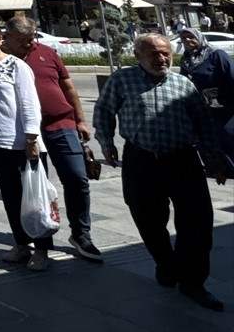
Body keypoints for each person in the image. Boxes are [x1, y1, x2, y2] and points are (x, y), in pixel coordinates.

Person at [94, 33, 230, 312]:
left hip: (183, 160)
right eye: (154, 53)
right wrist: (106, 142)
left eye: (166, 53)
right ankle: (167, 265)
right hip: (141, 160)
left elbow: (204, 124)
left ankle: (193, 282)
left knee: (198, 222)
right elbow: (104, 111)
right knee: (148, 220)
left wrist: (215, 160)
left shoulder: (183, 84)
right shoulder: (123, 80)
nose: (161, 59)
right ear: (139, 56)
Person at [4, 17, 101, 261]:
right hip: (26, 132)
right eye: (22, 40)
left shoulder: (46, 52)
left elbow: (68, 87)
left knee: (78, 179)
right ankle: (37, 238)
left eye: (31, 38)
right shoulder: (1, 58)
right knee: (33, 186)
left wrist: (80, 119)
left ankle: (81, 233)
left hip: (61, 124)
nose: (29, 44)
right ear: (8, 36)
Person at [0, 20, 49, 271]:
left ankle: (43, 249)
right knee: (12, 198)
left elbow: (29, 103)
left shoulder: (17, 66)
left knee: (35, 199)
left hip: (23, 143)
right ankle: (22, 244)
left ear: (1, 38)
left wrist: (31, 138)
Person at [178, 26, 234, 165]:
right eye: (184, 38)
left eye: (191, 36)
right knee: (210, 138)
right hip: (203, 109)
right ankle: (220, 168)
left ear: (199, 38)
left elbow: (232, 76)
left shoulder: (216, 54)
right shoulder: (185, 60)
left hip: (226, 107)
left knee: (228, 135)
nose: (187, 40)